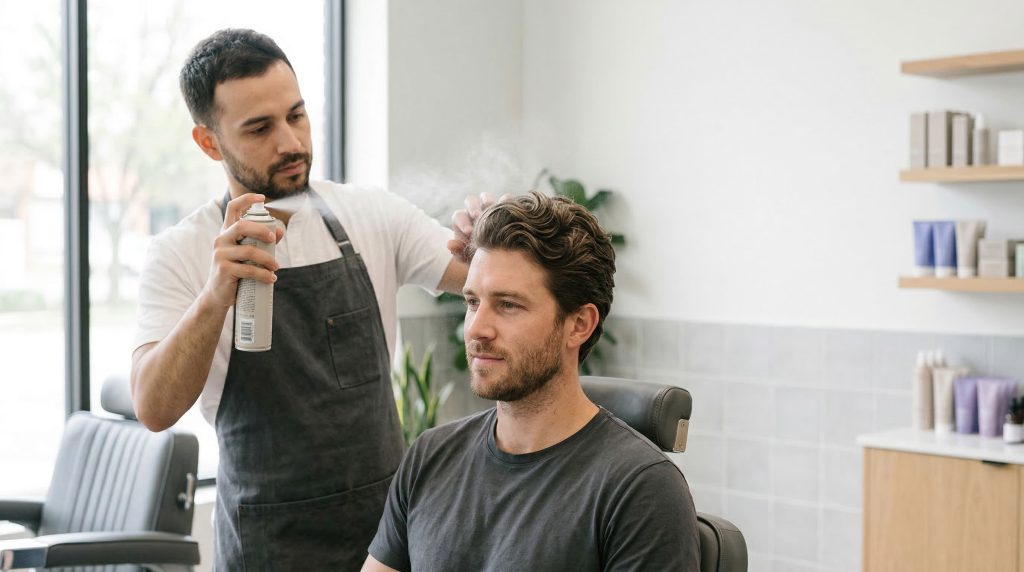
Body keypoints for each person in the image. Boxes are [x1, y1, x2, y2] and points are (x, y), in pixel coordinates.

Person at [130, 28, 487, 570]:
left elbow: (488, 277)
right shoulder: (179, 253)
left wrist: (496, 235)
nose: (291, 142)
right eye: (259, 128)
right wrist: (214, 296)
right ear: (209, 142)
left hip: (387, 541)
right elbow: (153, 408)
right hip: (267, 547)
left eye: (296, 115)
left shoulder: (371, 216)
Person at [363, 192, 700, 571]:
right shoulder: (430, 457)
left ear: (579, 325)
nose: (476, 329)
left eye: (508, 305)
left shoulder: (640, 490)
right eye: (473, 302)